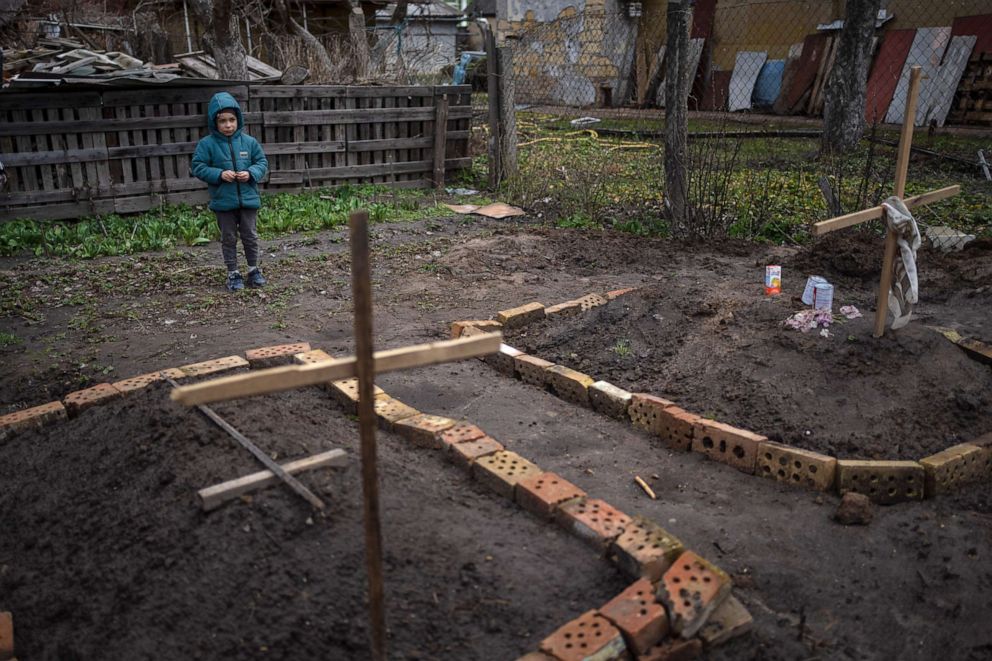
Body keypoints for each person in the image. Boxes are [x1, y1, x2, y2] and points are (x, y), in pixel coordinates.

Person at [191, 91, 269, 291]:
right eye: (223, 121)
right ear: (214, 122)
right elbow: (198, 166)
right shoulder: (206, 144)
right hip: (223, 202)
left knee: (250, 236)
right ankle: (233, 273)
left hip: (248, 200)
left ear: (238, 119)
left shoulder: (249, 142)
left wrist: (251, 173)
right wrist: (219, 174)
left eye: (232, 120)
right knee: (229, 238)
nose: (228, 125)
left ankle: (253, 270)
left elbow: (262, 162)